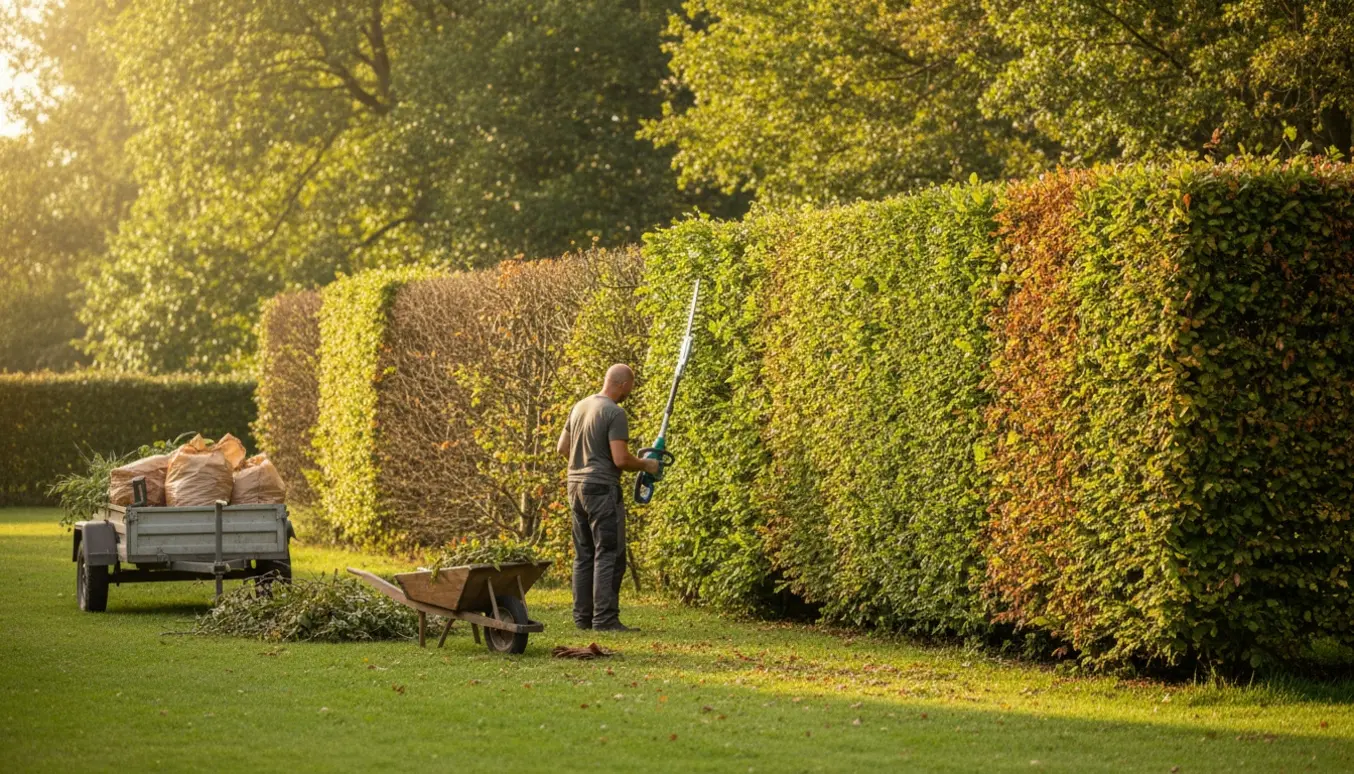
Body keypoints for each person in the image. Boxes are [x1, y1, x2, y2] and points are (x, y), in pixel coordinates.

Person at [557, 363, 659, 632]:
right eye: (630, 388)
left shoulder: (579, 406)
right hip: (602, 489)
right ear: (622, 384)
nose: (629, 394)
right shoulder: (615, 412)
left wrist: (583, 466)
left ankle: (583, 618)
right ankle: (604, 619)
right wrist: (647, 465)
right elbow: (621, 459)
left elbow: (562, 448)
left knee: (584, 554)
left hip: (574, 486)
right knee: (608, 553)